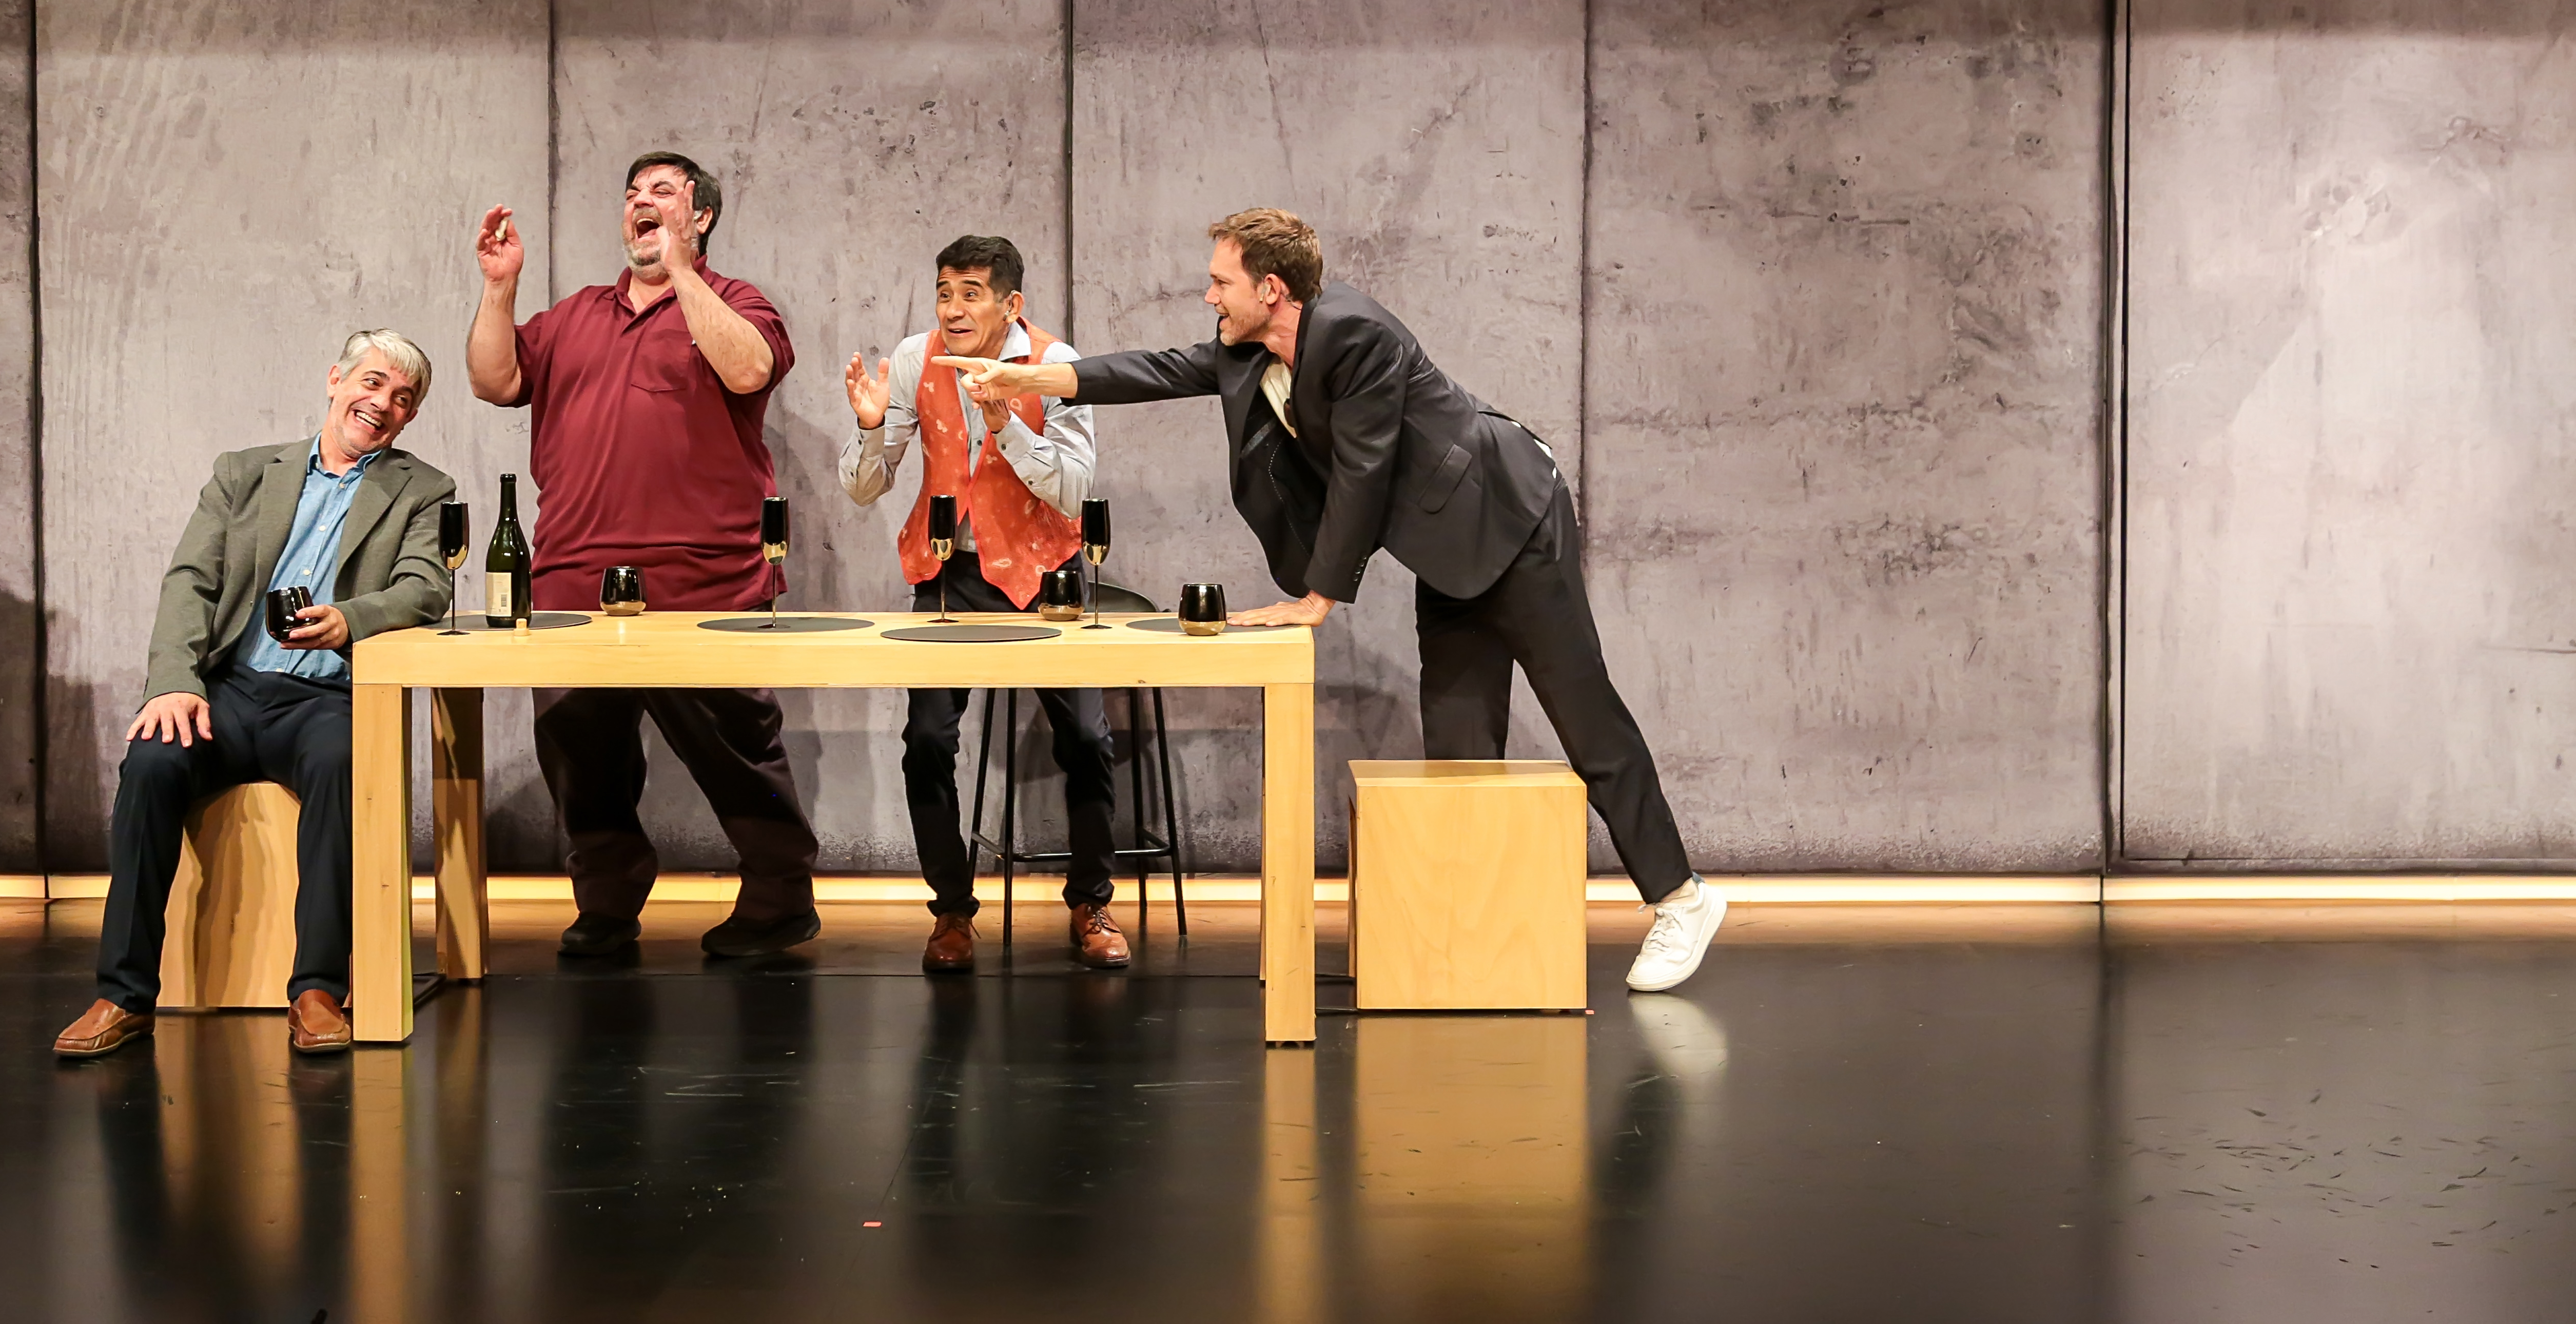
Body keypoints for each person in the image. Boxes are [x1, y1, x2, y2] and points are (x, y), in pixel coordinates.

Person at [940, 208, 1729, 993]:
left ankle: (1681, 898)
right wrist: (1024, 377)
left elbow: (1364, 469)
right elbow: (1158, 370)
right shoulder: (1247, 348)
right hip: (1445, 550)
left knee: (1586, 716)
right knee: (1459, 742)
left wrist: (1318, 598)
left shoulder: (1357, 333)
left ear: (1271, 288)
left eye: (1221, 281)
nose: (1209, 295)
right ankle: (1469, 943)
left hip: (1512, 519)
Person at [54, 332, 454, 1059]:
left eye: (403, 398)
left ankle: (317, 990)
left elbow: (425, 588)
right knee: (152, 760)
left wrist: (350, 620)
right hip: (231, 689)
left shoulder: (423, 489)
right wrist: (173, 684)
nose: (382, 404)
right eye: (371, 382)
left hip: (327, 699)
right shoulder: (242, 473)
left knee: (343, 766)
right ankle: (124, 994)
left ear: (411, 417)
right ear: (335, 380)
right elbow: (190, 582)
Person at [466, 151, 818, 959]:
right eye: (633, 194)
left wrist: (683, 269)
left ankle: (780, 895)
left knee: (735, 742)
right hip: (573, 570)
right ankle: (607, 898)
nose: (642, 203)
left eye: (664, 192)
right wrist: (499, 287)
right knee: (579, 743)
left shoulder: (737, 301)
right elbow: (494, 379)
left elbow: (749, 368)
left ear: (702, 216)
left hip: (707, 574)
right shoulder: (575, 314)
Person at [841, 233, 1127, 973]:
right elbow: (865, 488)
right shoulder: (916, 359)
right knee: (927, 740)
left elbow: (1074, 490)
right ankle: (951, 910)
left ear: (1010, 304)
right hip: (950, 573)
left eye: (971, 294)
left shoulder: (1055, 365)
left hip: (1046, 573)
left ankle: (1091, 902)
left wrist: (1006, 426)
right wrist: (870, 429)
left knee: (1087, 738)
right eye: (945, 293)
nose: (954, 309)